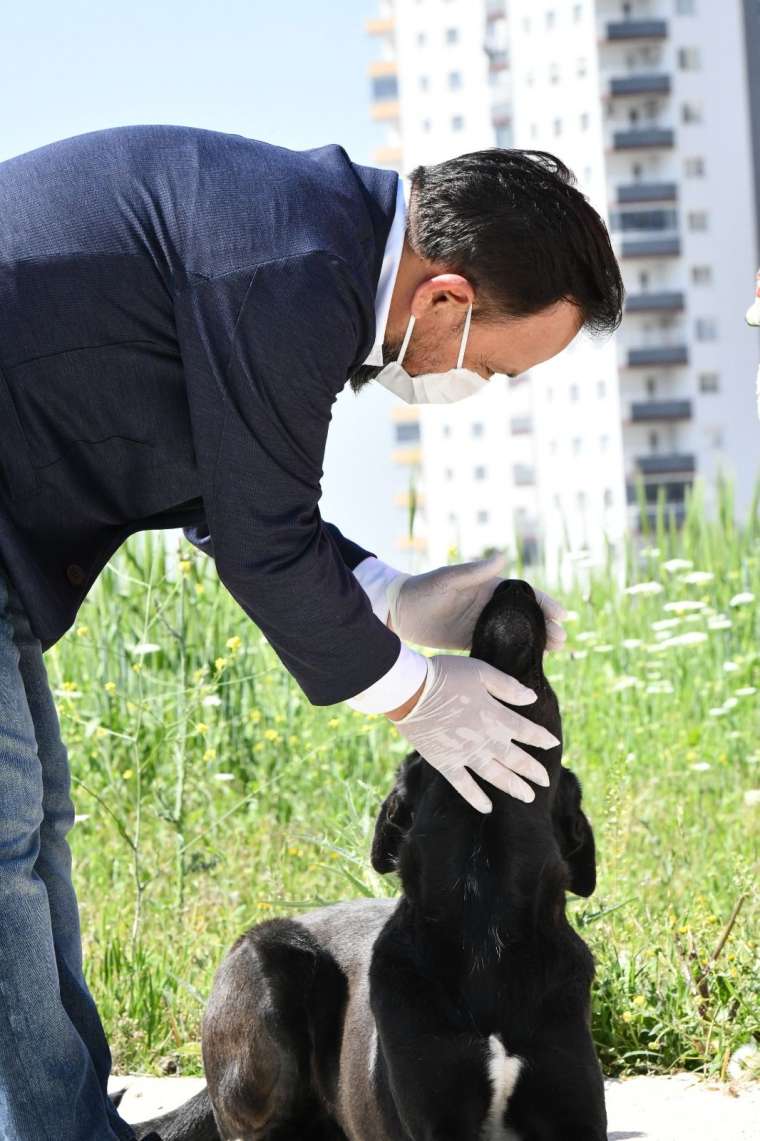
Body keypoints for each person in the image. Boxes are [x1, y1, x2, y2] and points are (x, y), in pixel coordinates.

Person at [0, 124, 623, 1141]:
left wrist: (392, 591)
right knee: (4, 844)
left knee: (30, 832)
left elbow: (230, 493)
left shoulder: (308, 246)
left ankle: (60, 1120)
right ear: (447, 299)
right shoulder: (290, 270)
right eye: (502, 370)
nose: (491, 389)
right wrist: (417, 693)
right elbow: (263, 549)